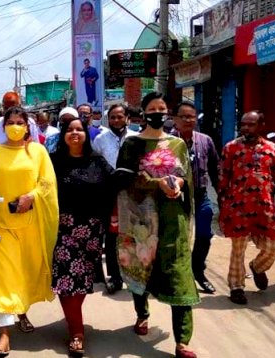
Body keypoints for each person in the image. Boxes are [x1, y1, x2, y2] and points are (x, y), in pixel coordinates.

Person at [115, 92, 199, 358]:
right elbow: (125, 180)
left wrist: (179, 185)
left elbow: (185, 174)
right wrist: (156, 183)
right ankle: (142, 314)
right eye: (152, 108)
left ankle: (182, 341)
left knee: (179, 272)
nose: (158, 113)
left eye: (162, 109)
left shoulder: (177, 144)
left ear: (168, 113)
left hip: (173, 217)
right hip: (140, 218)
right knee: (142, 266)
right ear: (143, 112)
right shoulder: (131, 145)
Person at [0, 106, 58, 357]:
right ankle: (4, 336)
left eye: (19, 122)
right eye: (10, 122)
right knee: (4, 278)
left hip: (31, 223)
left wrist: (31, 197)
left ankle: (22, 312)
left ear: (27, 126)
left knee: (25, 273)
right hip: (0, 225)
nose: (15, 126)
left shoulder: (38, 151)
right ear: (3, 127)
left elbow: (46, 183)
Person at [50, 117, 114, 356]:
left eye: (79, 129)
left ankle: (73, 321)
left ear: (86, 134)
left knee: (82, 281)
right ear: (63, 134)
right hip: (62, 229)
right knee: (66, 282)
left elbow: (115, 184)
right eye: (69, 130)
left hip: (92, 230)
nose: (74, 133)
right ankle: (76, 331)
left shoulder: (97, 161)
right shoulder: (53, 161)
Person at [218, 111, 275, 305]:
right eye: (243, 124)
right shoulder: (231, 148)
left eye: (251, 124)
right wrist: (222, 208)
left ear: (261, 125)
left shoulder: (273, 149)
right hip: (237, 207)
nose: (245, 128)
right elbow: (223, 179)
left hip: (264, 206)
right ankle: (236, 286)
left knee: (273, 248)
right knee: (238, 249)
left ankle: (258, 268)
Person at [172, 101, 220, 294]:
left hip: (200, 196)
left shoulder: (205, 140)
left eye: (191, 116)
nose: (187, 120)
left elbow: (215, 170)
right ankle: (176, 275)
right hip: (174, 197)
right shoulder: (167, 141)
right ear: (175, 119)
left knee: (204, 234)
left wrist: (222, 196)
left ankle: (197, 271)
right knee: (176, 237)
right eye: (183, 116)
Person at [91, 103, 139, 293]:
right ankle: (115, 276)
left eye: (120, 117)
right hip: (109, 193)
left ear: (127, 118)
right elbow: (95, 166)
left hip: (133, 193)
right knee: (112, 236)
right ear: (107, 119)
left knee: (134, 234)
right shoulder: (101, 140)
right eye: (113, 117)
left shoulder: (136, 138)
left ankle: (134, 274)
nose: (116, 120)